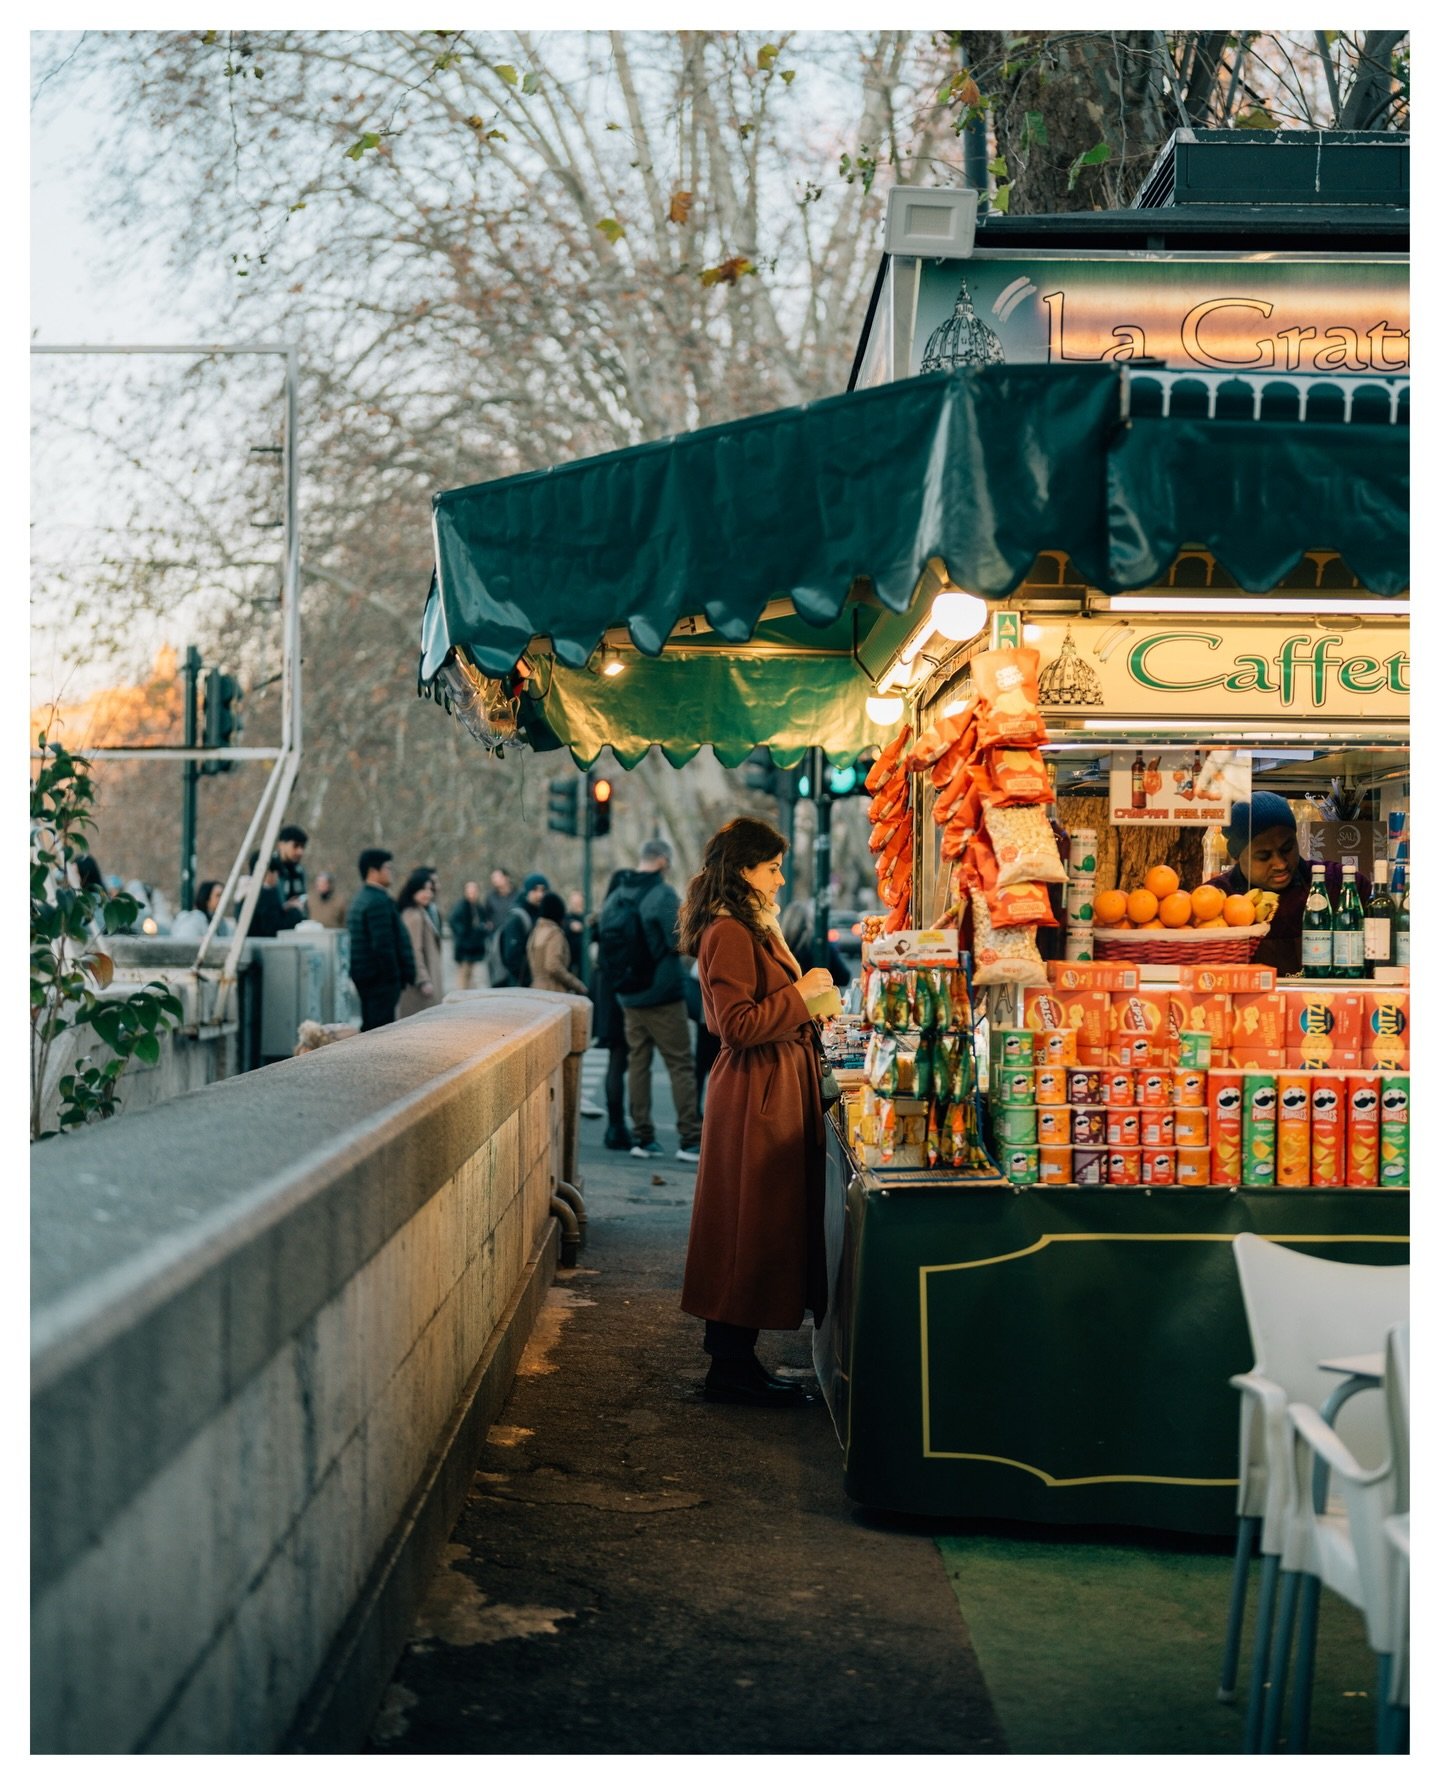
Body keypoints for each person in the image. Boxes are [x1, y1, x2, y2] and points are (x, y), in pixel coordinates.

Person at [677, 817, 840, 1406]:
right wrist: (803, 995)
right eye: (771, 867)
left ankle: (737, 1361)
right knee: (746, 1223)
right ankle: (730, 1366)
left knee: (755, 1222)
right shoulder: (729, 932)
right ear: (744, 869)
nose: (780, 878)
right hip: (754, 1092)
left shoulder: (752, 928)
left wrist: (808, 1002)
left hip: (771, 1084)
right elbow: (736, 1024)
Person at [601, 838, 702, 1163]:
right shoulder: (662, 895)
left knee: (637, 1064)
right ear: (661, 861)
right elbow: (680, 940)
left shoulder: (616, 895)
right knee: (680, 1064)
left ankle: (643, 1138)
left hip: (628, 995)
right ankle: (690, 1139)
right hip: (662, 994)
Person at [1204, 792, 1369, 976]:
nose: (1281, 864)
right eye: (1264, 856)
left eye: (1287, 848)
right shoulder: (1215, 901)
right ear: (1236, 856)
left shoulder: (1338, 884)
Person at [347, 847, 416, 1031]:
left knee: (370, 1027)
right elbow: (383, 944)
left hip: (366, 976)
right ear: (373, 871)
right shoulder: (377, 901)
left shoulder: (361, 898)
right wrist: (394, 977)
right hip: (379, 980)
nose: (391, 872)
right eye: (387, 868)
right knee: (379, 1031)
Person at [591, 868, 633, 1150]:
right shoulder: (625, 916)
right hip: (621, 998)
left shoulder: (601, 917)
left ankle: (615, 1125)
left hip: (605, 998)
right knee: (620, 1062)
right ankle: (617, 1127)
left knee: (615, 1064)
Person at [397, 867, 444, 1016]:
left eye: (430, 890)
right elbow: (414, 949)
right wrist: (423, 980)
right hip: (420, 987)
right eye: (424, 890)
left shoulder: (420, 911)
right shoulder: (413, 916)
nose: (428, 894)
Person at [490, 872, 549, 987]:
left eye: (543, 890)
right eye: (535, 890)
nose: (540, 895)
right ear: (527, 892)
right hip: (519, 983)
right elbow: (512, 957)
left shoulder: (542, 913)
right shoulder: (517, 918)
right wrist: (529, 979)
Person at [780, 897, 853, 987]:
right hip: (820, 999)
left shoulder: (779, 947)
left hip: (792, 998)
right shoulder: (818, 944)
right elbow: (844, 977)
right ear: (808, 920)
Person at [527, 891, 590, 995]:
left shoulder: (536, 931)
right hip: (553, 991)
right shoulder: (554, 934)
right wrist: (577, 984)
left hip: (536, 990)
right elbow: (553, 966)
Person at [244, 851, 304, 939]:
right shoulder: (265, 894)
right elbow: (274, 927)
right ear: (268, 872)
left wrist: (283, 908)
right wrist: (296, 911)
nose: (277, 878)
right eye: (276, 873)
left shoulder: (246, 890)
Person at [449, 880, 490, 990]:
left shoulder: (479, 908)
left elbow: (484, 924)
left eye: (474, 891)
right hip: (464, 949)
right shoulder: (461, 907)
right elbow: (455, 923)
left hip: (476, 949)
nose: (472, 894)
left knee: (476, 979)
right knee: (463, 979)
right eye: (470, 891)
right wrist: (465, 936)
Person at [275, 824, 309, 914]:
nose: (300, 851)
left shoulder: (299, 871)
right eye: (295, 846)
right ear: (281, 845)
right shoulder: (270, 869)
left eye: (302, 847)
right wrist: (287, 906)